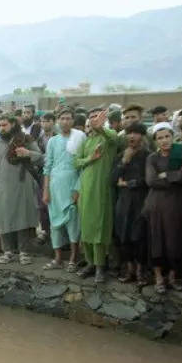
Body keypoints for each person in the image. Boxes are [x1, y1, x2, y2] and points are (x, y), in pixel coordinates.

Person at [144, 122, 182, 292]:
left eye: (167, 136)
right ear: (155, 141)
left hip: (177, 204)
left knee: (175, 240)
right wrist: (177, 176)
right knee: (157, 240)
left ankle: (173, 275)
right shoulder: (152, 158)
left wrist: (167, 174)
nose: (164, 140)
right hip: (157, 204)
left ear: (173, 137)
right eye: (160, 138)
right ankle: (159, 277)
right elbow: (151, 181)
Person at [0, 115, 42, 265]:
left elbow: (42, 158)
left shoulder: (26, 139)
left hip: (23, 186)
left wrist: (28, 153)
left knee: (22, 219)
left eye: (4, 125)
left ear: (12, 124)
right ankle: (8, 252)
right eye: (0, 125)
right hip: (2, 187)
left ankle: (24, 253)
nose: (1, 128)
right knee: (3, 219)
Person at [74, 108, 119, 280]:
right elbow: (76, 162)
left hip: (102, 191)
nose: (94, 120)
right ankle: (90, 263)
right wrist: (90, 159)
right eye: (91, 117)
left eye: (97, 117)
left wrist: (101, 128)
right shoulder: (86, 141)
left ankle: (100, 266)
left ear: (103, 119)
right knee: (86, 229)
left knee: (100, 230)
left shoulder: (109, 137)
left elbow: (114, 138)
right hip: (85, 189)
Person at [42, 108, 85, 271]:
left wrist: (78, 189)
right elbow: (48, 166)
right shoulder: (53, 141)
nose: (65, 121)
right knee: (55, 224)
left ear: (73, 121)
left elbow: (83, 166)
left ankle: (73, 259)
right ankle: (58, 258)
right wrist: (46, 190)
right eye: (63, 118)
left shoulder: (80, 139)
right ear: (58, 121)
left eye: (68, 118)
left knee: (73, 222)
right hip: (54, 186)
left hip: (73, 184)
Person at [112, 122, 150, 283]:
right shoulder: (121, 155)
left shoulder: (148, 155)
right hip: (123, 202)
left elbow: (149, 179)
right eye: (129, 133)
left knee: (139, 237)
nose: (132, 136)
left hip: (141, 202)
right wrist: (124, 162)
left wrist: (129, 183)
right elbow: (112, 179)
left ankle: (141, 271)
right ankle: (130, 270)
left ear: (142, 136)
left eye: (136, 133)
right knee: (123, 236)